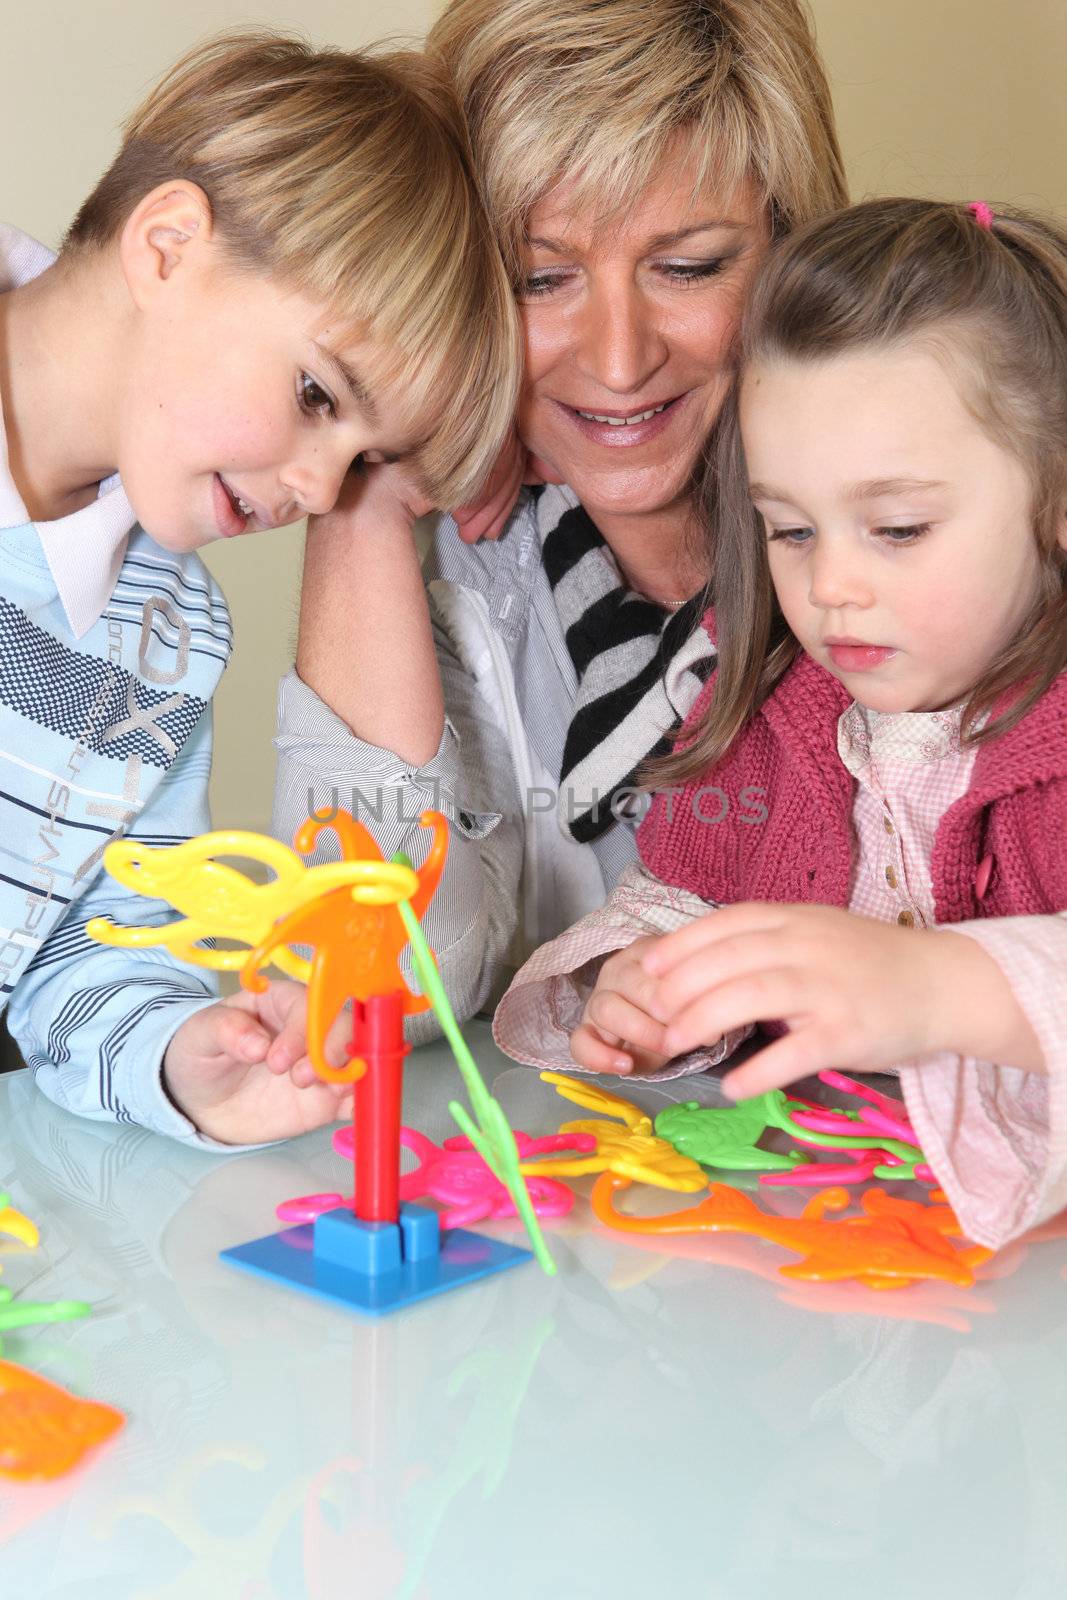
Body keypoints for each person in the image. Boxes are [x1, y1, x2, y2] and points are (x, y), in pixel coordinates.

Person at [272, 0, 847, 1051]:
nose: (619, 359)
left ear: (787, 253)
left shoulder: (912, 520)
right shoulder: (454, 561)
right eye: (540, 279)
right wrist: (370, 486)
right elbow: (372, 988)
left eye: (688, 267)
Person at [495, 196, 1067, 1249]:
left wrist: (940, 984)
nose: (832, 584)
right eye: (790, 530)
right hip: (863, 1275)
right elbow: (685, 904)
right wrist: (640, 990)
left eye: (895, 527)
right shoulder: (766, 716)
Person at [0, 31, 517, 1145]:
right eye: (319, 395)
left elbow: (94, 962)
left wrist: (191, 1061)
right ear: (171, 246)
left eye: (367, 463)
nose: (322, 488)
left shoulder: (166, 642)